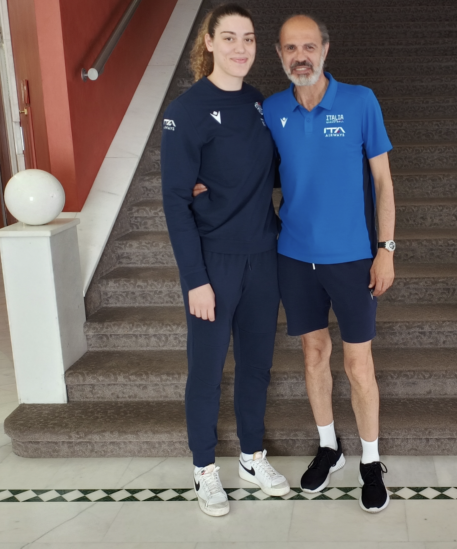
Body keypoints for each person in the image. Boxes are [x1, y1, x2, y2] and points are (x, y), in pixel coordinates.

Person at [160, 3, 290, 518]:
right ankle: (204, 468)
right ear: (209, 42)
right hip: (214, 262)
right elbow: (174, 200)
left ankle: (252, 458)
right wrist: (195, 279)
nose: (241, 47)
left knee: (256, 365)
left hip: (264, 256)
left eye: (249, 38)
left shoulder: (259, 103)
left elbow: (266, 173)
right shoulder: (186, 110)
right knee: (207, 370)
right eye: (230, 37)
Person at [265, 14, 396, 513]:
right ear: (280, 54)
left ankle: (370, 461)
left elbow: (383, 182)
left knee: (358, 363)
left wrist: (386, 249)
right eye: (290, 48)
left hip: (353, 257)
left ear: (324, 50)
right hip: (295, 256)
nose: (300, 56)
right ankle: (329, 447)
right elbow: (250, 169)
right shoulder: (272, 110)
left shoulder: (361, 102)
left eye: (309, 47)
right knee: (313, 354)